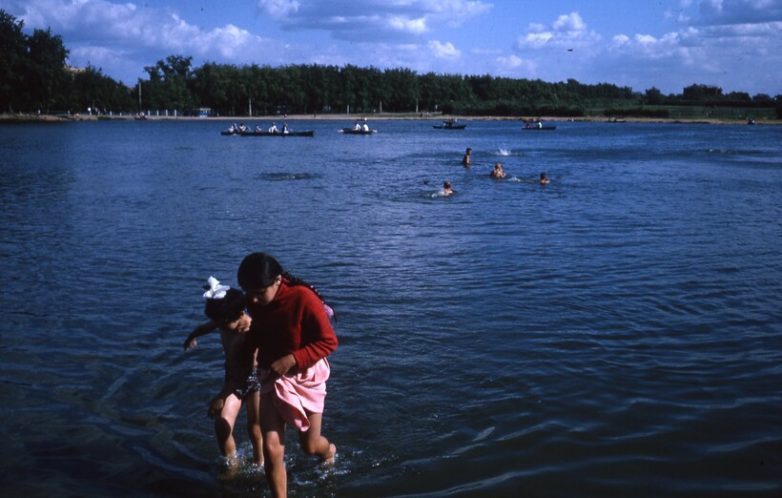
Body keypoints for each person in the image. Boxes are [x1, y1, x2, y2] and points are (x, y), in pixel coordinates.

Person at [238, 253, 338, 498]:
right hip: (272, 376)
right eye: (247, 292)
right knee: (272, 449)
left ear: (277, 281)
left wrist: (293, 359)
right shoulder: (255, 301)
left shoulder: (302, 298)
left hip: (306, 377)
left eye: (259, 292)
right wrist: (244, 356)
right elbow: (257, 332)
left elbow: (328, 342)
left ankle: (329, 452)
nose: (252, 298)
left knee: (310, 446)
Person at [183, 277, 263, 467]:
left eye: (221, 323)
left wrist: (222, 395)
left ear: (239, 315)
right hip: (232, 378)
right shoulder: (226, 320)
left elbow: (247, 371)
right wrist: (192, 336)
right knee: (221, 423)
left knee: (255, 426)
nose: (217, 326)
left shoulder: (251, 334)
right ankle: (232, 464)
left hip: (256, 380)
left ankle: (260, 463)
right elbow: (208, 326)